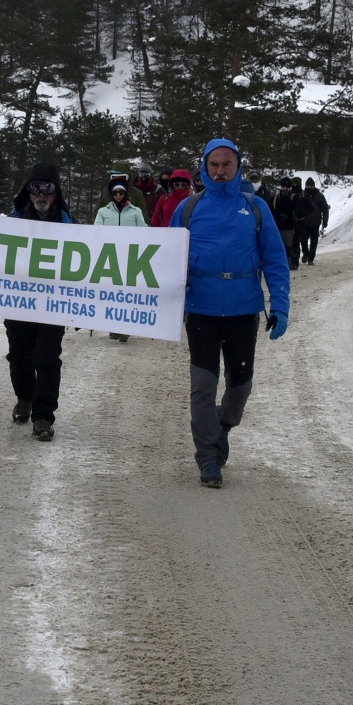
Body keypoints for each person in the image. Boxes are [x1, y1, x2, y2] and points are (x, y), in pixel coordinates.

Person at [171, 140, 291, 488]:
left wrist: (279, 304)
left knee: (239, 389)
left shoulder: (255, 209)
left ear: (238, 167)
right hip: (201, 310)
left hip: (243, 309)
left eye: (227, 164)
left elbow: (275, 261)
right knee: (203, 388)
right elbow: (166, 258)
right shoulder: (189, 209)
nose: (221, 171)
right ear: (204, 168)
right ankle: (208, 458)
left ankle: (222, 428)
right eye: (214, 165)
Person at [5, 163, 74, 441]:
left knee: (46, 358)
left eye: (47, 188)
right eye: (35, 188)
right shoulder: (13, 219)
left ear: (56, 192)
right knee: (19, 356)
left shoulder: (68, 222)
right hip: (19, 301)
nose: (41, 194)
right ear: (28, 191)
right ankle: (25, 397)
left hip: (53, 304)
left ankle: (44, 415)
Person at [94, 176, 148, 343]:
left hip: (130, 257)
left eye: (121, 192)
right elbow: (96, 232)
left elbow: (145, 232)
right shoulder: (103, 212)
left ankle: (126, 327)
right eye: (115, 192)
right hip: (109, 257)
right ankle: (113, 326)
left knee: (127, 293)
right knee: (111, 293)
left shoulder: (135, 211)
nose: (118, 195)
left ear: (126, 193)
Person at [298, 176, 330, 265]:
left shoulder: (319, 196)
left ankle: (311, 258)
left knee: (314, 241)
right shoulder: (302, 195)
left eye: (310, 186)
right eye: (307, 186)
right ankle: (305, 253)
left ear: (313, 186)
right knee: (303, 240)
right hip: (304, 222)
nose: (309, 188)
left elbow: (325, 209)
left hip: (315, 223)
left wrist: (325, 221)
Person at [272, 177, 300, 271]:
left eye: (286, 187)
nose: (284, 189)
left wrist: (288, 215)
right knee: (278, 247)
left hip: (289, 227)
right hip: (278, 226)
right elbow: (272, 210)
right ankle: (279, 265)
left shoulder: (293, 197)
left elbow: (296, 210)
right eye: (283, 187)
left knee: (288, 247)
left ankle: (287, 264)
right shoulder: (275, 198)